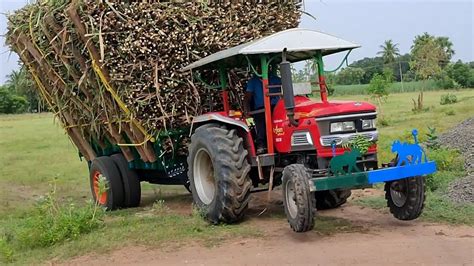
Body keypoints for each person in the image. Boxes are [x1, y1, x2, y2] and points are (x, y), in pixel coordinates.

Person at [244, 67, 281, 154]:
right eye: (258, 67)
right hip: (261, 108)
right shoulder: (253, 81)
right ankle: (261, 144)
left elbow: (285, 89)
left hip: (275, 106)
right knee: (260, 122)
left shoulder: (276, 79)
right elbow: (247, 97)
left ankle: (278, 142)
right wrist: (246, 110)